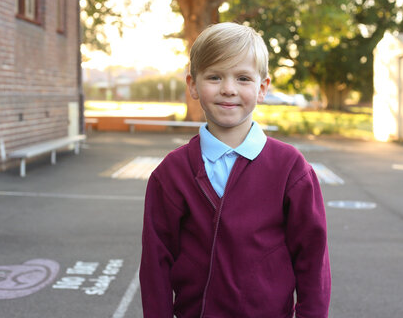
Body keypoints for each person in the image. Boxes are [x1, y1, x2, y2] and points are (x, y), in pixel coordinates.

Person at [140, 22, 331, 318]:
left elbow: (312, 259)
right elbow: (156, 263)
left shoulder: (291, 169)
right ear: (192, 85)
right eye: (214, 77)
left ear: (262, 88)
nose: (228, 89)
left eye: (243, 78)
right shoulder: (171, 174)